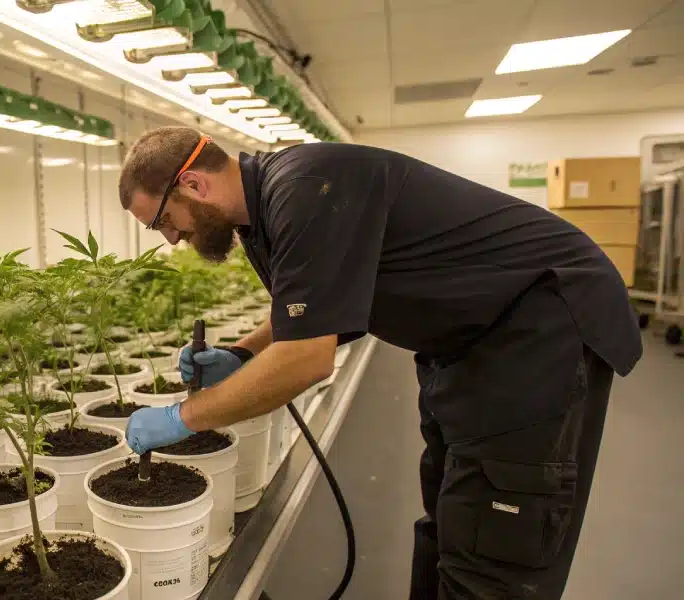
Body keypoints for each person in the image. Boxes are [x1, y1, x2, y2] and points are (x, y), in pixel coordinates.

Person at [118, 127, 642, 600]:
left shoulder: (302, 188)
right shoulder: (262, 213)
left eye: (163, 220)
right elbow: (312, 306)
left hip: (535, 331)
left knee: (499, 541)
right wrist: (243, 353)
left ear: (193, 184)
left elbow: (306, 359)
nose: (171, 238)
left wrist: (184, 417)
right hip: (465, 343)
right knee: (450, 519)